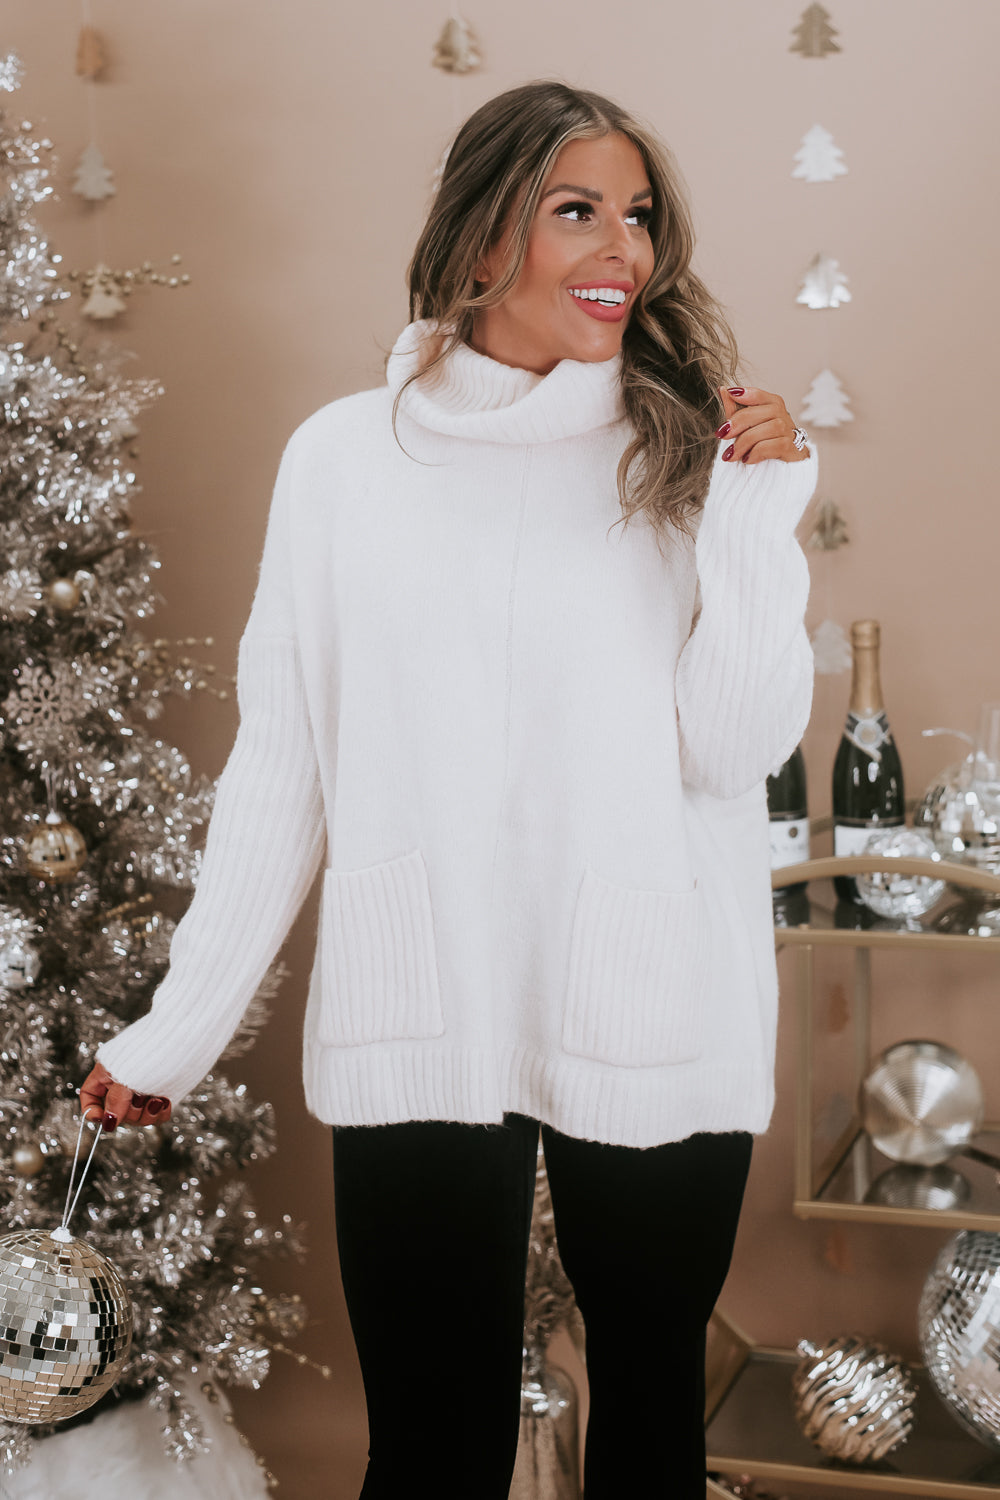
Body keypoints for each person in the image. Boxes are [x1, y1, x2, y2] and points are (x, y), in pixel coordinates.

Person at [80, 80, 817, 1499]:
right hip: (419, 993)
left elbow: (733, 751)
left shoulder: (688, 453)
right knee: (427, 1447)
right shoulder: (344, 460)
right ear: (483, 237)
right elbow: (285, 761)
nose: (622, 250)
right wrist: (176, 1032)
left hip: (659, 989)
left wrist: (753, 518)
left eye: (638, 216)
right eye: (577, 211)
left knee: (650, 1432)